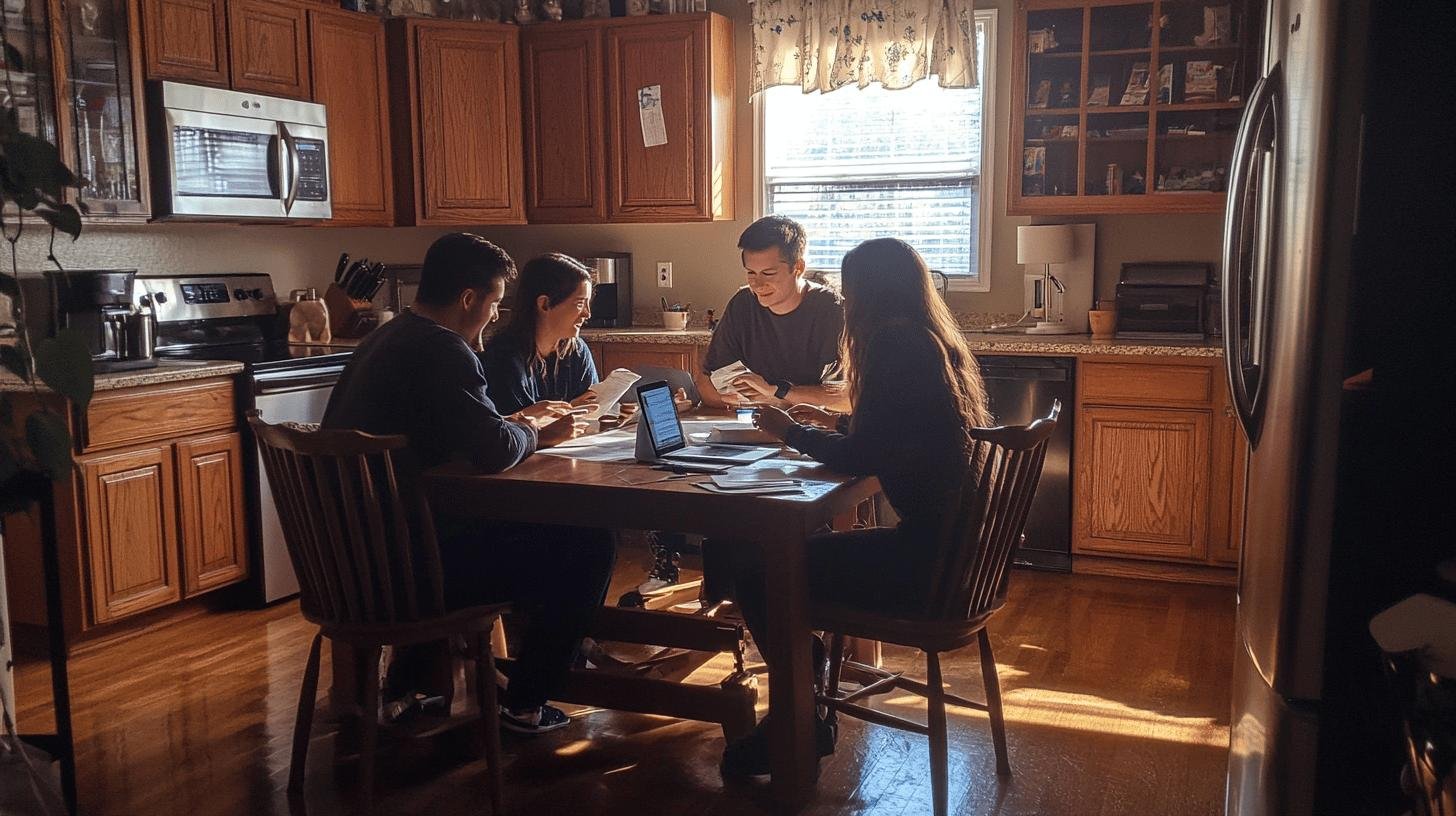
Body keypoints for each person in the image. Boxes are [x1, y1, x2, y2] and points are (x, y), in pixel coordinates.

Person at [719, 237, 992, 777]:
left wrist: (789, 427)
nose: (846, 300)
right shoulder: (927, 339)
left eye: (850, 288)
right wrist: (834, 422)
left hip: (926, 567)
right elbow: (895, 434)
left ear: (867, 292)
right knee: (786, 560)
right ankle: (808, 684)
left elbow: (866, 455)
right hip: (961, 554)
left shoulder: (892, 344)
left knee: (756, 571)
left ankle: (798, 709)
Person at [322, 233, 615, 736]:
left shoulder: (385, 337)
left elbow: (467, 434)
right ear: (469, 299)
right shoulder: (443, 350)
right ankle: (524, 701)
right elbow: (496, 448)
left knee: (524, 532)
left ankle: (413, 684)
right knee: (587, 544)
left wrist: (514, 427)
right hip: (412, 571)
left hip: (349, 567)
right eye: (496, 303)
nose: (498, 316)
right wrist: (532, 429)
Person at [695, 215, 850, 412]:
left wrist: (776, 394)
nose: (757, 284)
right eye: (751, 272)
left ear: (798, 268)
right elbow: (706, 383)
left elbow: (846, 400)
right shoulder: (743, 304)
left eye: (768, 273)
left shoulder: (833, 310)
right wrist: (757, 400)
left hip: (812, 432)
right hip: (751, 424)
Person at [479, 252, 601, 416]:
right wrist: (569, 411)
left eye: (588, 303)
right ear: (544, 304)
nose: (587, 314)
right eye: (580, 303)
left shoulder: (577, 351)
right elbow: (514, 431)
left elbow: (591, 411)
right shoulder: (504, 359)